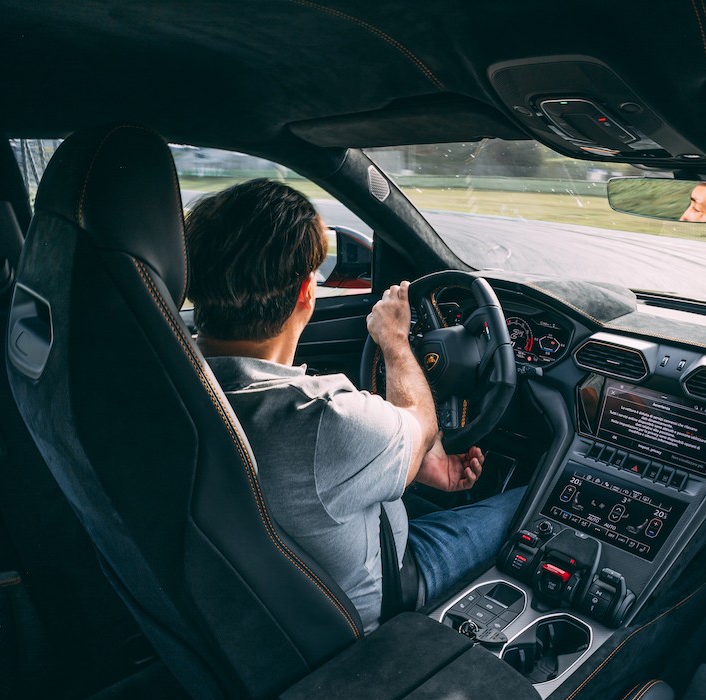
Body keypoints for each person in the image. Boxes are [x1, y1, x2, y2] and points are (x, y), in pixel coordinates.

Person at [186, 178, 523, 632]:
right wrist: (395, 341)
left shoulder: (171, 381)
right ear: (308, 292)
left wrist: (406, 462)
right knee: (538, 502)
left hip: (252, 602)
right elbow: (422, 427)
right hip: (383, 594)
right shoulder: (323, 419)